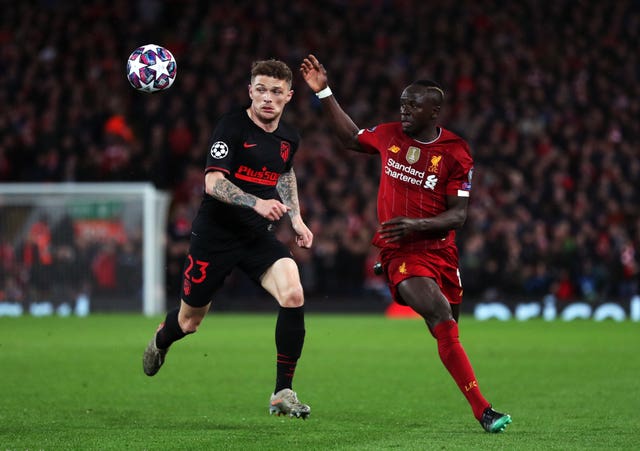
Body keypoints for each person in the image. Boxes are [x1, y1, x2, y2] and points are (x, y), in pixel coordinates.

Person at [300, 54, 511, 432]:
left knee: (447, 331)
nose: (405, 110)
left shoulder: (457, 152)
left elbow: (458, 216)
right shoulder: (388, 134)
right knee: (442, 318)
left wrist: (415, 223)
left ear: (436, 111)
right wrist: (324, 92)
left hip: (442, 253)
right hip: (401, 250)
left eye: (414, 104)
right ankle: (484, 410)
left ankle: (476, 400)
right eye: (402, 103)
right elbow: (350, 137)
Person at [143, 59, 312, 419]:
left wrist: (296, 217)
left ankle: (282, 390)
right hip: (215, 235)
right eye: (261, 90)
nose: (268, 98)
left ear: (289, 96)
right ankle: (161, 338)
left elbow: (285, 173)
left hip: (255, 236)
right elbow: (212, 183)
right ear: (250, 91)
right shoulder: (231, 128)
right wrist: (256, 202)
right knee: (190, 322)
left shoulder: (289, 137)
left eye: (276, 92)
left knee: (293, 293)